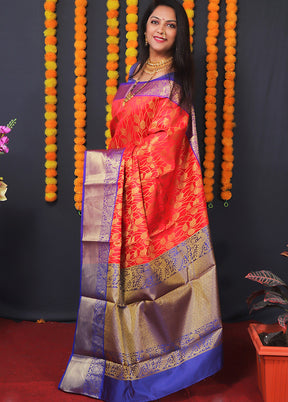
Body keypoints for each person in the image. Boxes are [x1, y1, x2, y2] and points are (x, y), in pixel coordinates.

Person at [59, 0, 222, 400]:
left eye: (170, 26)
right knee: (115, 284)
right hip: (118, 194)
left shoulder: (175, 84)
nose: (161, 30)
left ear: (178, 35)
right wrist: (109, 178)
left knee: (149, 285)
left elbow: (166, 147)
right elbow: (118, 132)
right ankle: (113, 363)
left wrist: (116, 170)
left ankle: (155, 369)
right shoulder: (132, 76)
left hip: (147, 196)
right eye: (155, 22)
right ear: (144, 27)